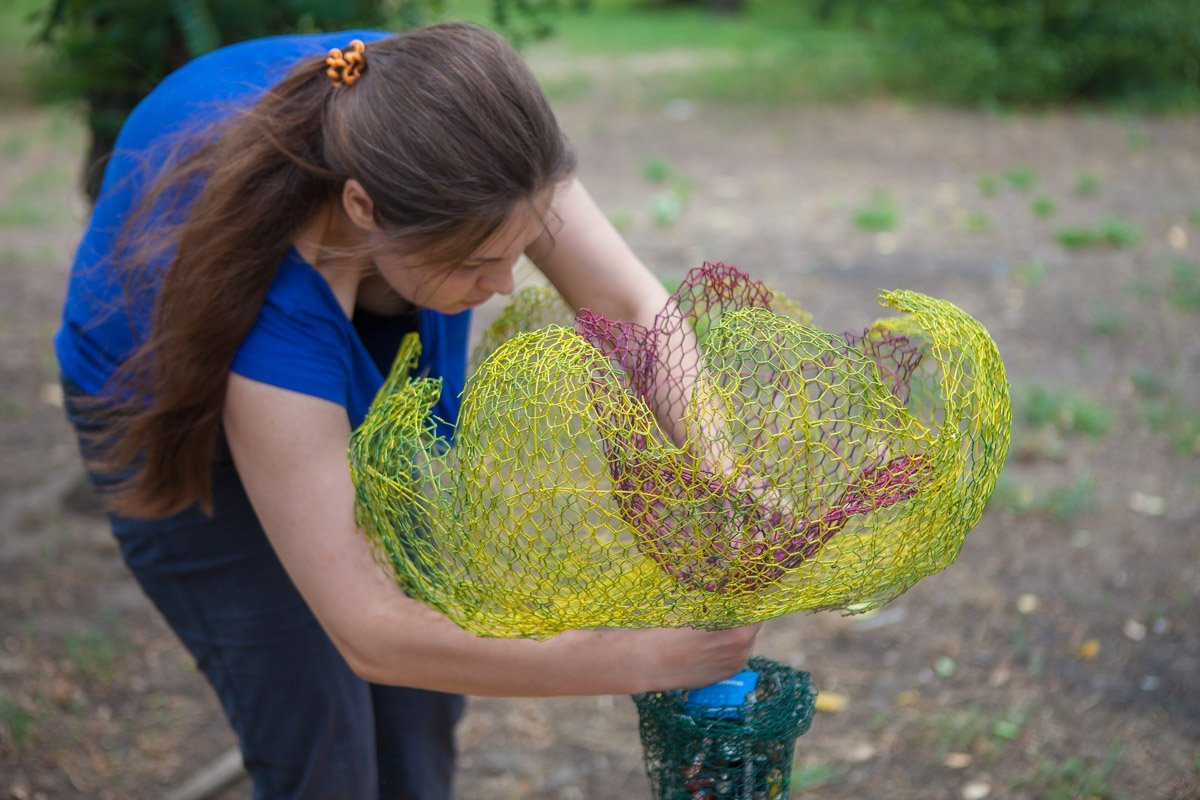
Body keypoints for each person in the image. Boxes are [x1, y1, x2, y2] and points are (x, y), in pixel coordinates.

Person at [55, 21, 758, 800]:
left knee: (419, 719)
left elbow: (626, 300)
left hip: (370, 290)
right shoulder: (273, 318)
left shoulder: (465, 129)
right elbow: (373, 635)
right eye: (474, 264)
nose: (503, 289)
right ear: (362, 206)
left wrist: (720, 468)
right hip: (171, 409)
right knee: (321, 742)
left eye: (518, 252)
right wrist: (647, 659)